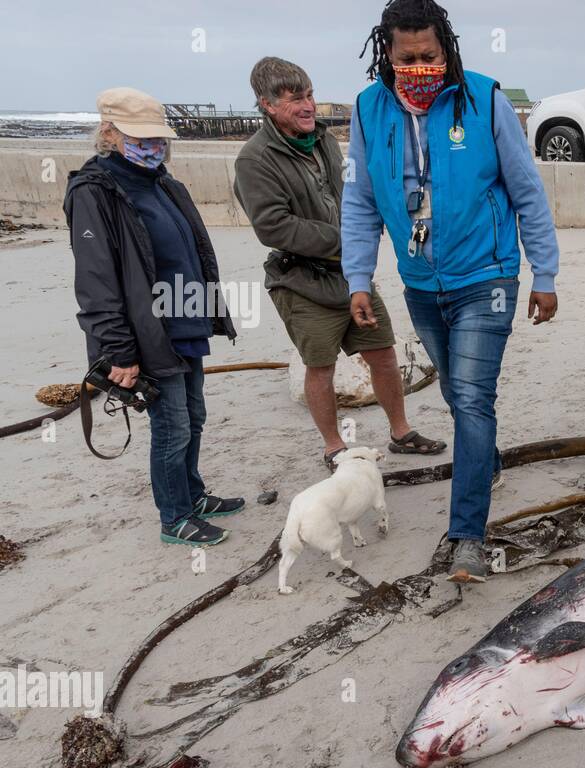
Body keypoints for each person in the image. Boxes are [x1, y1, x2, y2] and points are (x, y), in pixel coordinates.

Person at [342, 0, 560, 584]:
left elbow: (527, 193)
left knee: (469, 397)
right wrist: (358, 277)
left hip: (486, 276)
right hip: (420, 285)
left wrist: (546, 273)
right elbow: (360, 204)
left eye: (429, 56)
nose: (419, 67)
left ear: (448, 51)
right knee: (456, 391)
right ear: (386, 54)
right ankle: (483, 461)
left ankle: (467, 533)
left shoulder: (484, 100)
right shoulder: (367, 112)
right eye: (407, 57)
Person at [235, 56, 445, 470]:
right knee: (320, 367)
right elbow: (273, 228)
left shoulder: (327, 141)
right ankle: (333, 446)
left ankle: (401, 432)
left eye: (310, 95)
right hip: (303, 282)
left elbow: (355, 193)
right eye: (295, 99)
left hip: (351, 275)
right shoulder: (253, 160)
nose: (308, 106)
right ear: (268, 104)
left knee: (383, 352)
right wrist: (347, 239)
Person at [64, 88, 243, 547]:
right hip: (146, 334)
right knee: (172, 425)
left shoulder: (165, 184)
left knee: (194, 415)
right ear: (109, 132)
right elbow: (96, 279)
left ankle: (194, 495)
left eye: (157, 139)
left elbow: (192, 254)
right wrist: (119, 351)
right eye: (140, 138)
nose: (152, 147)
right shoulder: (94, 191)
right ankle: (175, 517)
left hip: (185, 320)